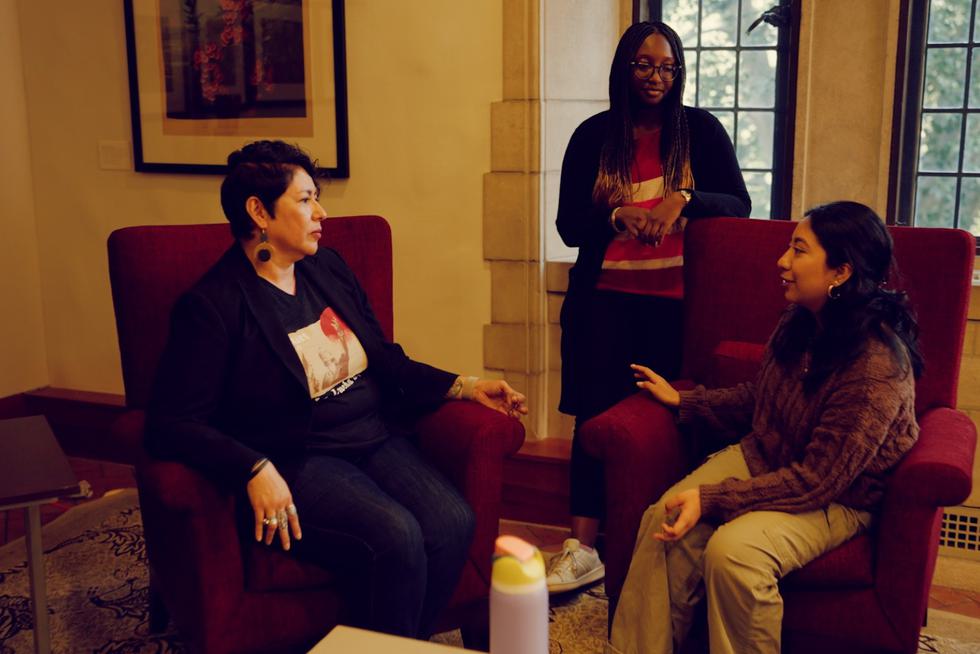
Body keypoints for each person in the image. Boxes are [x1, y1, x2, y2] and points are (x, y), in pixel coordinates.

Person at [145, 140, 527, 640]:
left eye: (316, 197)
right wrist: (252, 466)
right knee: (398, 537)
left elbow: (386, 359)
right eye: (304, 200)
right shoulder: (214, 306)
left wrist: (465, 386)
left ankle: (399, 646)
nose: (321, 212)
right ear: (258, 211)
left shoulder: (327, 268)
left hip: (374, 437)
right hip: (299, 458)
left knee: (453, 521)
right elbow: (170, 423)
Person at [607, 201, 922, 654]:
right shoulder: (801, 322)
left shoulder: (873, 367)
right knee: (665, 517)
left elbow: (818, 479)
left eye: (798, 250)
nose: (782, 261)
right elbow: (765, 398)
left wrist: (714, 499)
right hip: (770, 460)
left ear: (841, 272)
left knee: (733, 554)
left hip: (837, 495)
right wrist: (686, 401)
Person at [550, 20, 751, 592]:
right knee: (593, 420)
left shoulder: (700, 132)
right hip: (603, 305)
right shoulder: (593, 136)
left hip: (676, 309)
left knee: (666, 421)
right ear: (623, 68)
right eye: (644, 65)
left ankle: (655, 541)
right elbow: (568, 225)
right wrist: (617, 215)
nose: (656, 77)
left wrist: (681, 199)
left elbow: (739, 202)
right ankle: (583, 547)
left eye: (667, 67)